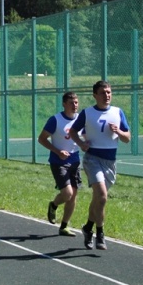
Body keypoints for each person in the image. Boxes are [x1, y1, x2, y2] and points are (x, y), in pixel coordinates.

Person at [69, 80, 131, 251]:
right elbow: (73, 131)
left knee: (98, 199)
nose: (107, 96)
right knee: (102, 195)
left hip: (110, 162)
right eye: (103, 93)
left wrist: (118, 132)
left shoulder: (118, 113)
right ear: (95, 95)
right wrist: (81, 144)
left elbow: (127, 138)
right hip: (92, 159)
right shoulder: (87, 113)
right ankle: (100, 233)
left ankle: (88, 227)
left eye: (109, 92)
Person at [38, 92, 81, 236]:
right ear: (64, 104)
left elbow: (86, 135)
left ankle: (64, 226)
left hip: (75, 161)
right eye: (71, 102)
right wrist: (57, 151)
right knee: (67, 193)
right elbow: (42, 139)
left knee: (73, 195)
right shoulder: (55, 120)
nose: (74, 105)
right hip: (59, 161)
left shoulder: (81, 119)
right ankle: (54, 204)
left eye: (76, 102)